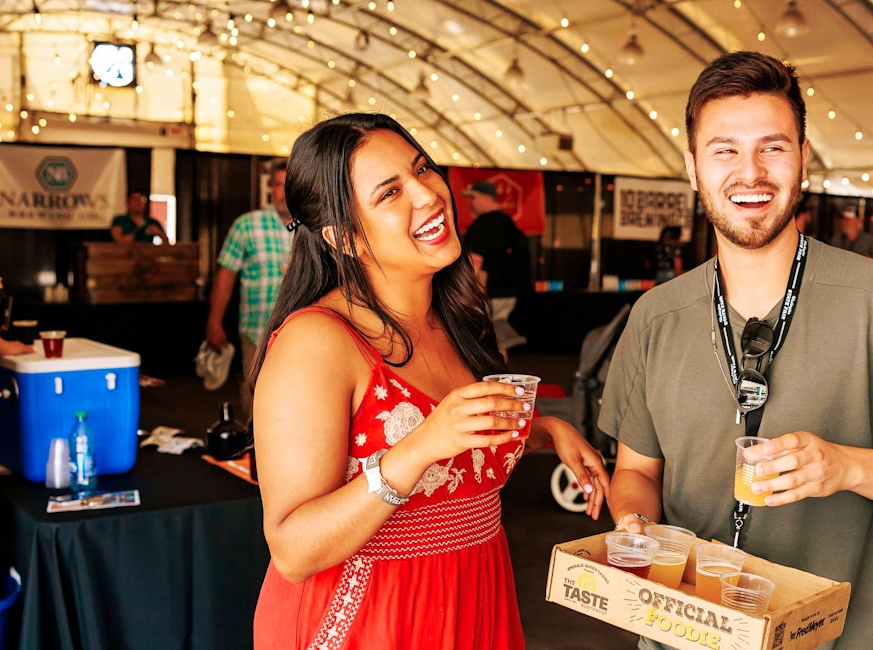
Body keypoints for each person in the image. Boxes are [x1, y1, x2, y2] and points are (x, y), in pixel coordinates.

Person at [602, 52, 873, 650]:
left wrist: (846, 466)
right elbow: (635, 471)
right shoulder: (656, 316)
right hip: (680, 634)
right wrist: (635, 525)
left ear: (803, 159)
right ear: (693, 166)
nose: (749, 173)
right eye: (723, 149)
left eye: (772, 148)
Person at [248, 113, 610, 649]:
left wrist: (548, 432)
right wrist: (416, 450)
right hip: (366, 619)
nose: (428, 193)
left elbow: (457, 443)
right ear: (344, 236)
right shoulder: (318, 342)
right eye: (390, 192)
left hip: (473, 601)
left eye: (422, 169)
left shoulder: (461, 318)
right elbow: (294, 552)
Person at [206, 158, 293, 421]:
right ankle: (255, 457)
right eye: (277, 185)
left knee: (296, 397)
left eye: (288, 185)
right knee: (255, 398)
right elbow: (225, 276)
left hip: (301, 331)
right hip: (257, 332)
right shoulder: (247, 225)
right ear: (271, 189)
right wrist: (214, 321)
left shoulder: (314, 227)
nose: (282, 193)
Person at [461, 180, 530, 351]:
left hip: (488, 294)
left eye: (473, 198)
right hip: (510, 294)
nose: (471, 203)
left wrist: (469, 291)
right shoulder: (508, 223)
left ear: (486, 197)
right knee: (496, 340)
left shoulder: (482, 226)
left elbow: (474, 263)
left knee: (487, 341)